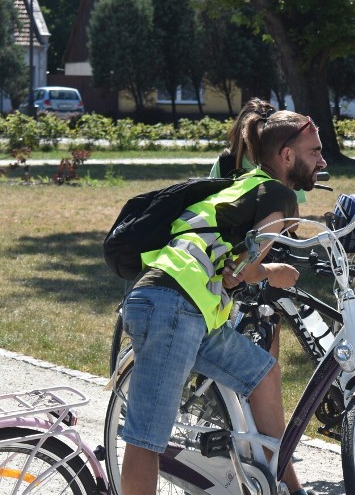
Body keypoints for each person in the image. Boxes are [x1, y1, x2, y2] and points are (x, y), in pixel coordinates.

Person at [120, 110, 325, 495]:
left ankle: (286, 485)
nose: (322, 160)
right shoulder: (278, 194)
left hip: (191, 310)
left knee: (262, 373)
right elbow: (240, 269)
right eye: (314, 152)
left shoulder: (245, 184)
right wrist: (273, 270)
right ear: (286, 156)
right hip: (172, 304)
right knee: (147, 438)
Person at [211, 97, 307, 204]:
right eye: (255, 136)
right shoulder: (225, 164)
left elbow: (292, 216)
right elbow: (210, 205)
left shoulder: (287, 163)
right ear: (243, 134)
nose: (261, 143)